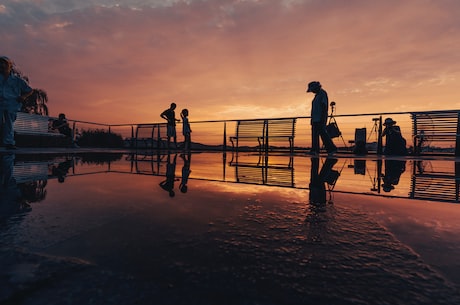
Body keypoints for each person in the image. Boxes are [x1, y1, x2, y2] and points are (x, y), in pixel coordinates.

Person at [0, 56, 33, 149]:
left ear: (10, 66)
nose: (2, 65)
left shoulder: (17, 80)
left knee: (8, 123)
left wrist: (23, 96)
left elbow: (29, 90)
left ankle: (9, 143)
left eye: (4, 63)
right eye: (0, 63)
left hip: (11, 104)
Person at [306, 81, 337, 156]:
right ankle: (315, 149)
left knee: (323, 134)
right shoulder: (317, 95)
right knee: (315, 134)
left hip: (320, 118)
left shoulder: (322, 94)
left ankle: (331, 148)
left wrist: (322, 117)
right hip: (315, 118)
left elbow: (324, 106)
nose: (312, 92)